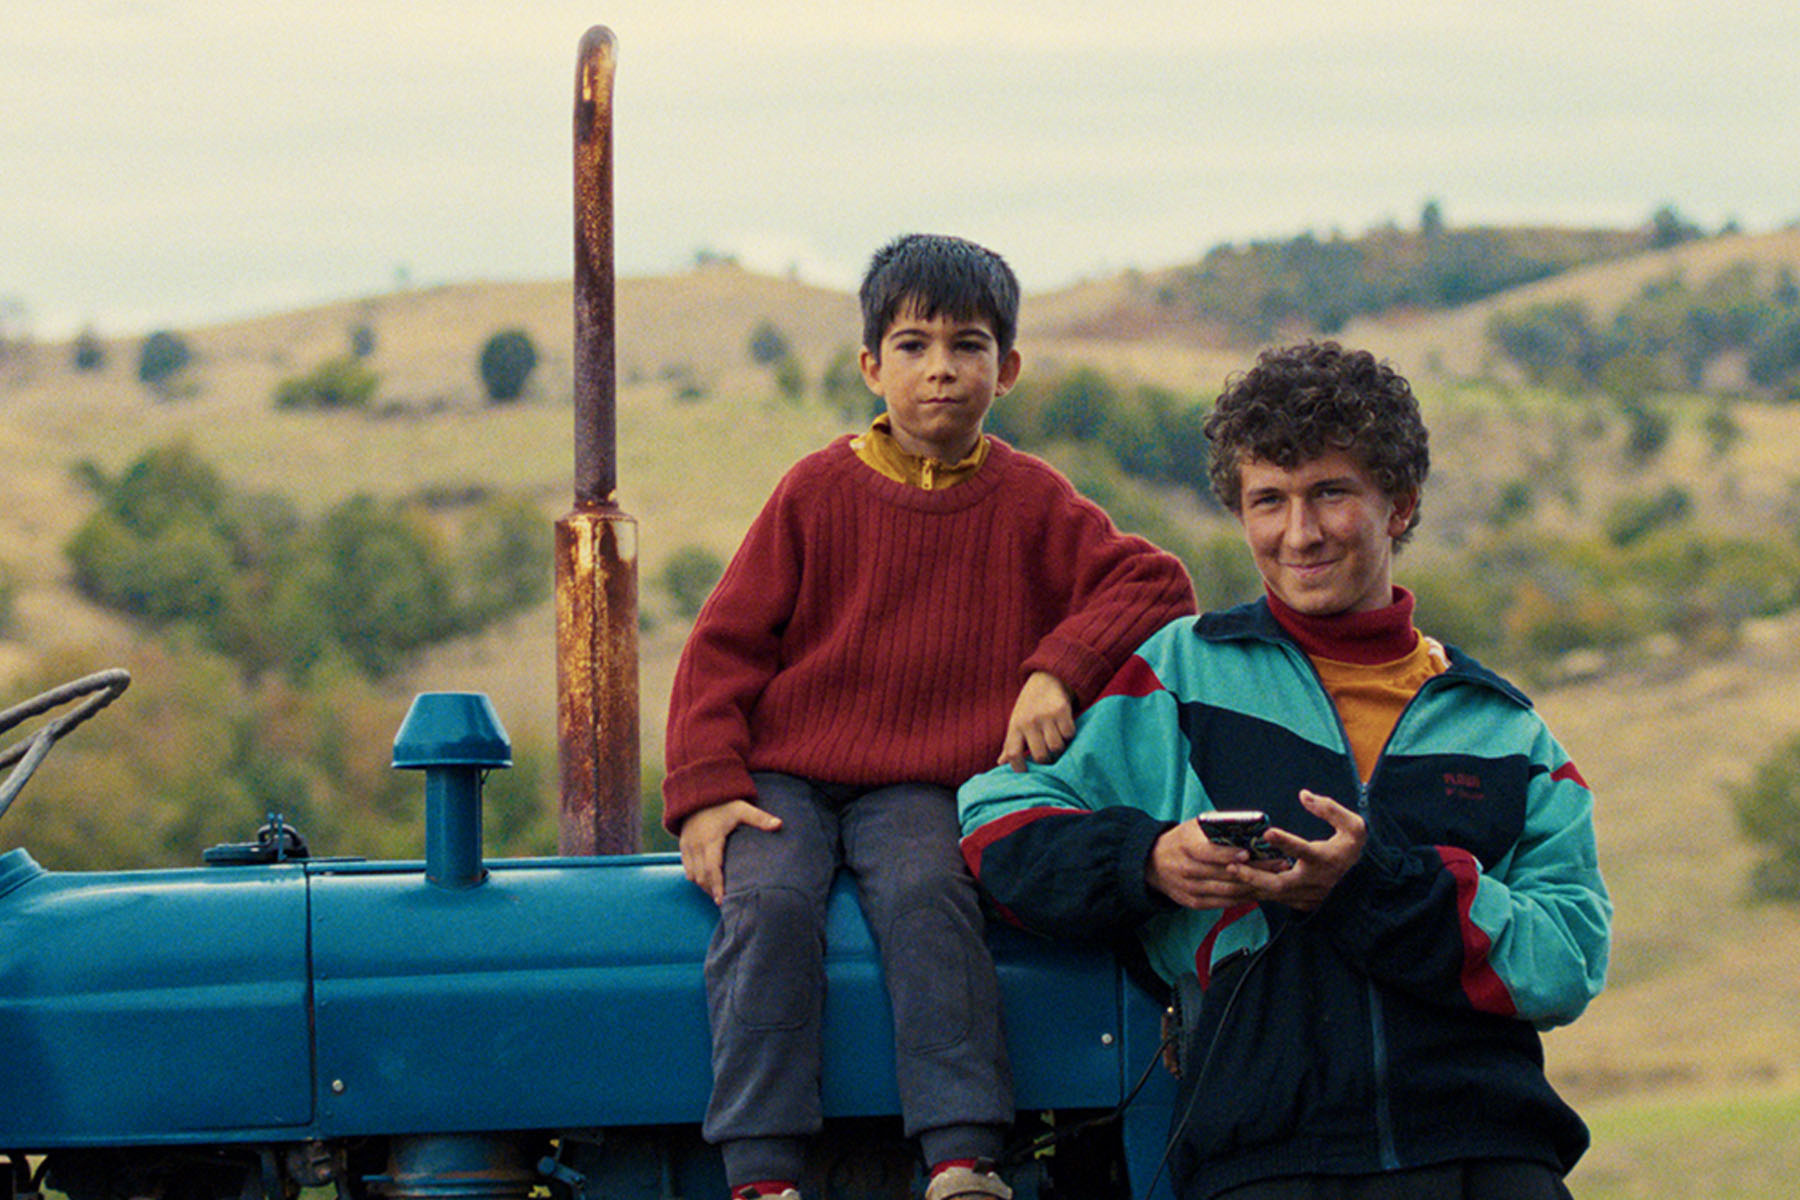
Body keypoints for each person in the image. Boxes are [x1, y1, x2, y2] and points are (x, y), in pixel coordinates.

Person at [958, 341, 1611, 1200]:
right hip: (1262, 1160)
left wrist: (1368, 885)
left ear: (1400, 506)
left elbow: (1570, 957)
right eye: (1268, 500)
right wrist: (1147, 861)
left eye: (1330, 493)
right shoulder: (1179, 677)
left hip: (1488, 1159)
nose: (1298, 533)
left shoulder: (1504, 730)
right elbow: (997, 819)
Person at [663, 233, 1197, 1200]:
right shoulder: (815, 491)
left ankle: (960, 1158)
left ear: (1008, 368)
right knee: (768, 905)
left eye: (968, 345)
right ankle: (761, 1169)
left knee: (928, 898)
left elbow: (1156, 583)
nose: (940, 369)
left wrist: (1057, 671)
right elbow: (723, 646)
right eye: (912, 346)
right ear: (872, 366)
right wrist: (704, 791)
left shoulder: (1031, 499)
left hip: (922, 783)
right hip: (787, 773)